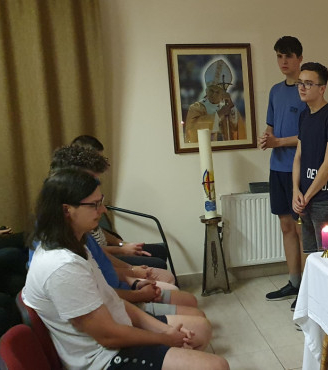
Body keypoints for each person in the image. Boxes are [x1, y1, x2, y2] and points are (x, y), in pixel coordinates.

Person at [23, 169, 228, 370]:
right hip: (103, 357)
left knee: (201, 329)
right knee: (216, 365)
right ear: (66, 210)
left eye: (101, 201)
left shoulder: (75, 244)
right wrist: (163, 338)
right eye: (94, 205)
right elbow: (108, 337)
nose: (103, 210)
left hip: (116, 331)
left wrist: (165, 331)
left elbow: (113, 299)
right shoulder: (62, 267)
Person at [69, 136, 172, 269]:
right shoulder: (76, 195)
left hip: (107, 249)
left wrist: (121, 243)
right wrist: (123, 252)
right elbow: (89, 250)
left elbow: (97, 229)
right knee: (157, 264)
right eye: (97, 161)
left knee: (160, 251)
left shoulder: (92, 187)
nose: (102, 167)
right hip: (100, 256)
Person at [259, 36, 308, 307]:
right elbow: (271, 127)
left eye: (288, 56)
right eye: (279, 56)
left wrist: (279, 142)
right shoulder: (275, 91)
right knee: (285, 226)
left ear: (299, 58)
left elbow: (309, 135)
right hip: (276, 167)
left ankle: (307, 289)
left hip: (298, 170)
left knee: (301, 229)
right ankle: (294, 282)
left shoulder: (306, 91)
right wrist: (268, 139)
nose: (283, 61)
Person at [292, 62, 328, 266]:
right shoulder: (304, 115)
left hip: (325, 199)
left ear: (322, 88)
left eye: (308, 83)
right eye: (300, 83)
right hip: (305, 197)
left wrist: (306, 197)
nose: (302, 87)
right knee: (310, 255)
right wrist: (295, 190)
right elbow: (298, 156)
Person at [184, 59, 241, 143]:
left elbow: (236, 127)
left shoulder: (225, 106)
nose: (213, 94)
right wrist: (219, 114)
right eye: (211, 91)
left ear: (222, 94)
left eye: (217, 92)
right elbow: (192, 128)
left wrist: (231, 106)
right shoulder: (196, 108)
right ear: (206, 91)